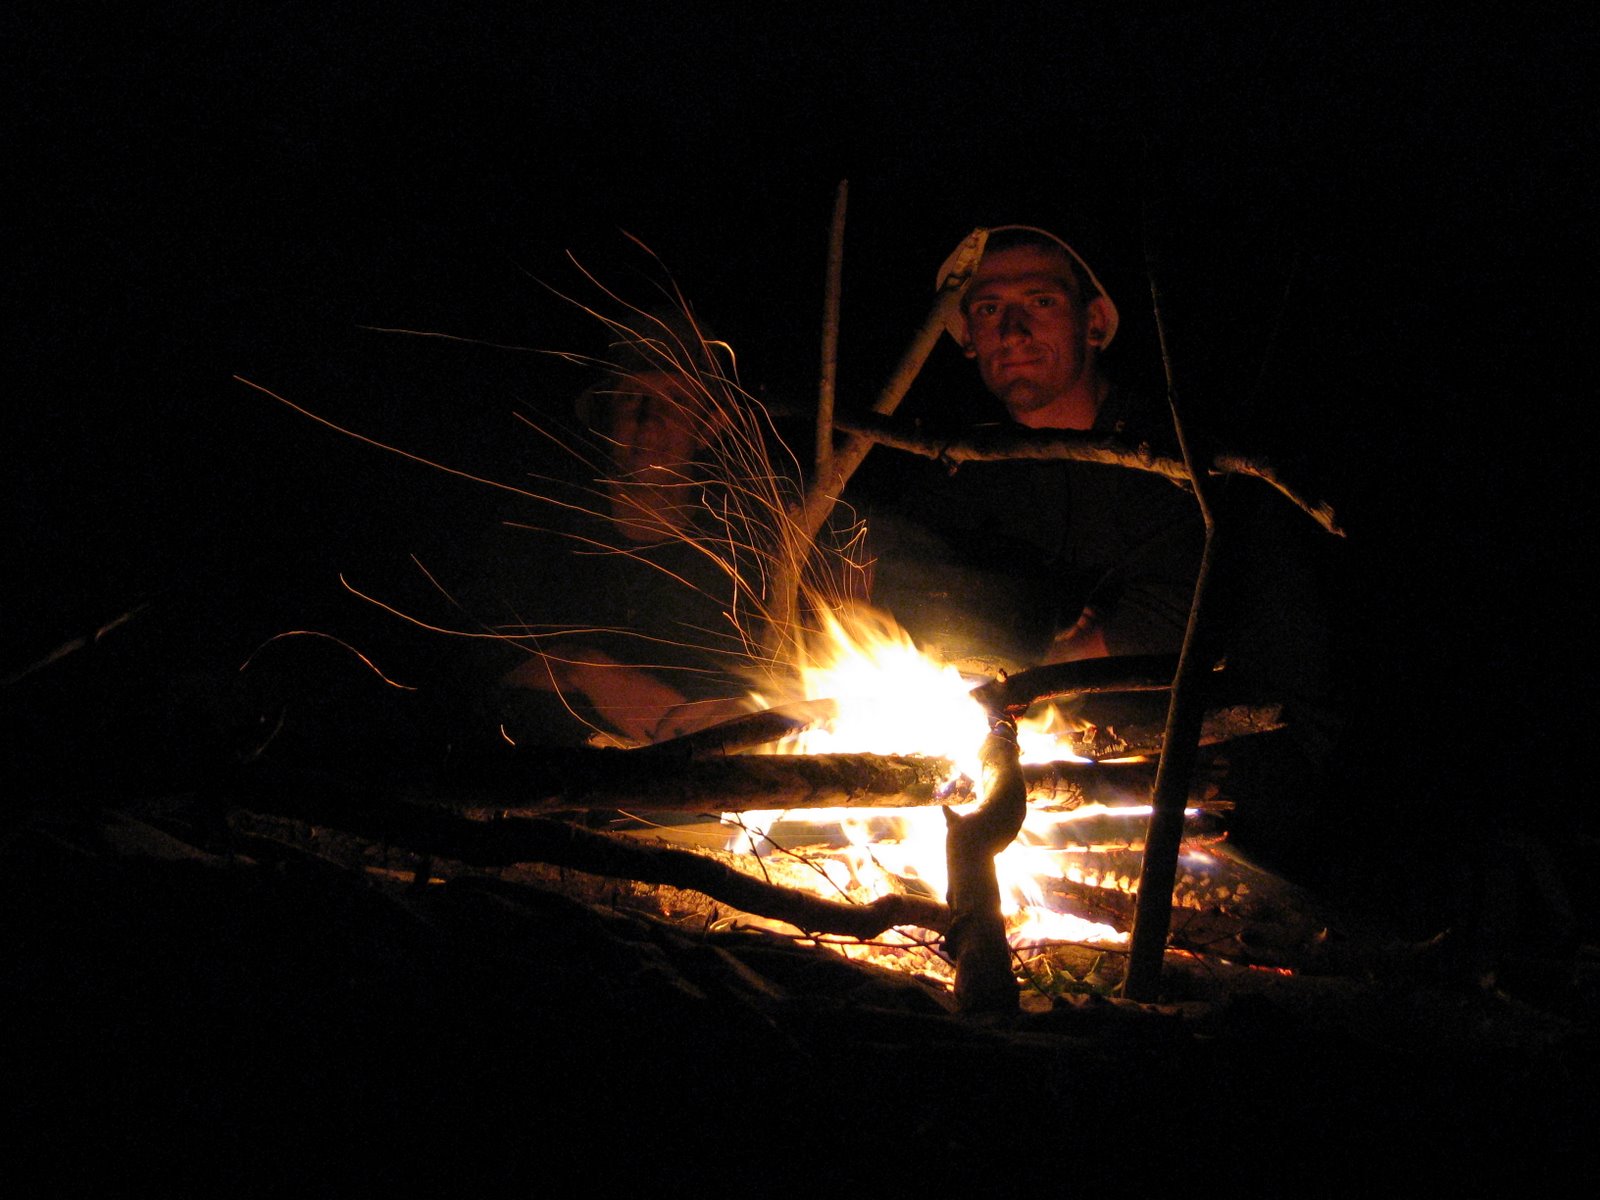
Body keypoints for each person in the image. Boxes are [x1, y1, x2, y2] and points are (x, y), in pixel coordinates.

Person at [867, 225, 1204, 674]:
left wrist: (1062, 662)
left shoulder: (1166, 451)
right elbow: (900, 570)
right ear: (967, 335)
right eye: (990, 309)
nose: (1012, 333)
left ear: (1094, 322)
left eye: (1041, 302)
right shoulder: (966, 464)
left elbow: (1198, 600)